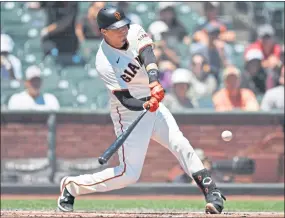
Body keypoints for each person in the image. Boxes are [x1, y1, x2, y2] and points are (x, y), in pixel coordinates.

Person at [57, 6, 226, 214]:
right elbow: (125, 99)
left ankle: (212, 191)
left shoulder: (134, 30)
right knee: (129, 174)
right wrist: (146, 104)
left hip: (152, 101)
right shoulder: (104, 61)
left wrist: (154, 82)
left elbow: (148, 54)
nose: (123, 30)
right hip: (128, 114)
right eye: (116, 28)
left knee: (180, 143)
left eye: (123, 25)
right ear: (103, 31)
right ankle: (71, 185)